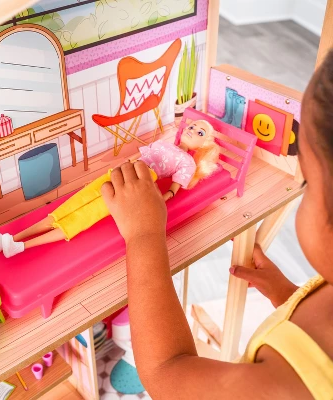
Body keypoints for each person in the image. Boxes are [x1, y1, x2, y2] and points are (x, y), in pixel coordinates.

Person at [99, 51, 333, 399]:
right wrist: (289, 297)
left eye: (308, 183)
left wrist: (143, 233)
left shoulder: (288, 387)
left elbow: (165, 372)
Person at [0, 120, 219, 258]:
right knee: (73, 204)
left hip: (137, 183)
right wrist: (121, 165)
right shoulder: (164, 143)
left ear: (204, 144)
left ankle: (21, 246)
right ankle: (11, 239)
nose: (193, 130)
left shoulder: (187, 163)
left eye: (200, 132)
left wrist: (156, 201)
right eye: (192, 126)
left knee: (82, 217)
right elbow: (137, 157)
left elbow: (172, 190)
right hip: (121, 171)